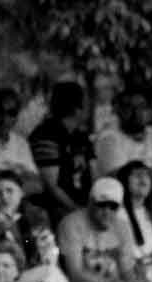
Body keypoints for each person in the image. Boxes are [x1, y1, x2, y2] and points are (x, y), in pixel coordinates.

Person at [57, 178, 144, 282]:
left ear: (120, 207)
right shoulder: (71, 224)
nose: (107, 211)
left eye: (113, 206)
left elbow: (126, 270)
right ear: (90, 202)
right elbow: (75, 274)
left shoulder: (123, 227)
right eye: (101, 205)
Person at [30, 81, 95, 219]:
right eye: (87, 102)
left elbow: (94, 175)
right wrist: (77, 212)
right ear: (76, 108)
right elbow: (51, 186)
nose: (90, 105)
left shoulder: (81, 136)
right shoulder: (45, 135)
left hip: (84, 208)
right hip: (56, 210)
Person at [94, 93, 152, 186]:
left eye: (142, 107)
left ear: (149, 111)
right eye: (129, 107)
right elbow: (121, 179)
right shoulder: (108, 137)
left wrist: (142, 174)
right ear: (118, 110)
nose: (136, 112)